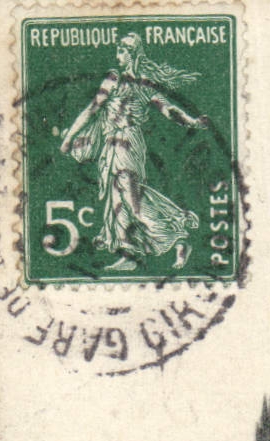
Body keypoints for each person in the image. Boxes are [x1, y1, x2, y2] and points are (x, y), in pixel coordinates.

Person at [58, 33, 210, 272]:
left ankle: (178, 237)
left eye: (121, 51)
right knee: (118, 197)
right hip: (113, 143)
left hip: (126, 143)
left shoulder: (119, 79)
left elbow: (93, 109)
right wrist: (190, 121)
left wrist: (191, 122)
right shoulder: (137, 82)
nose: (117, 56)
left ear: (131, 54)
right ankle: (129, 253)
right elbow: (167, 109)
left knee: (131, 200)